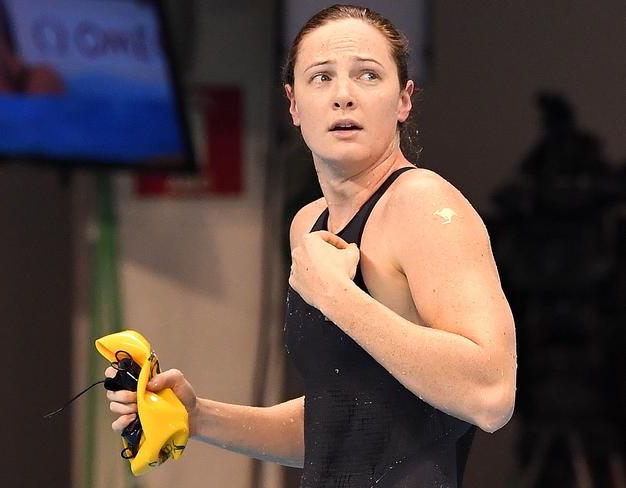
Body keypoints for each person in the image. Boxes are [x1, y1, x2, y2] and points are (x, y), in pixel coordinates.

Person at [106, 5, 517, 487]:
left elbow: (491, 394)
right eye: (321, 78)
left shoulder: (422, 205)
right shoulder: (310, 223)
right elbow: (341, 424)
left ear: (404, 99)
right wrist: (198, 418)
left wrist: (338, 298)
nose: (343, 95)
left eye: (367, 75)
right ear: (294, 105)